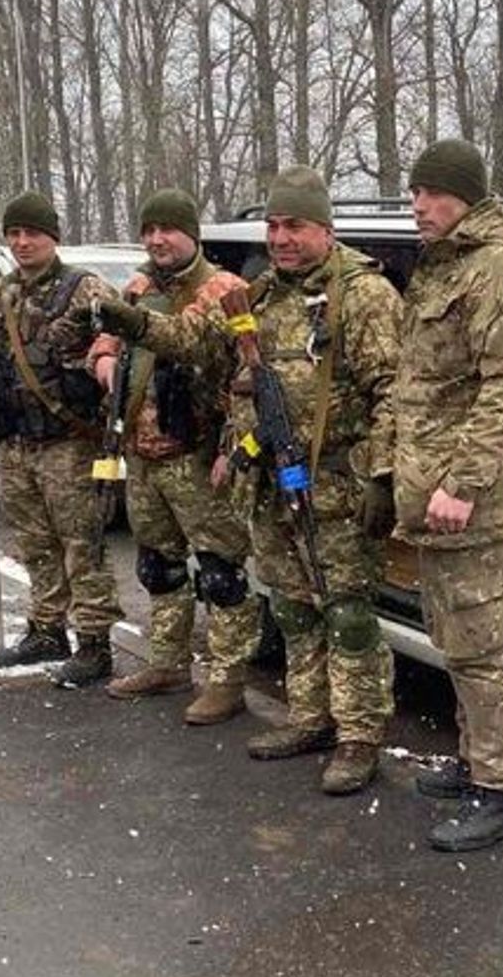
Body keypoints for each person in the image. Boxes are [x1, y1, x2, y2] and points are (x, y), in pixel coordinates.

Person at [96, 167, 401, 795]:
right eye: (274, 226)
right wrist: (136, 325)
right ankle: (311, 718)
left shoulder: (364, 295)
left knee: (346, 614)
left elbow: (395, 393)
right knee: (292, 608)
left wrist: (383, 474)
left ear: (325, 228)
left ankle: (358, 737)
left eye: (295, 226)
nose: (281, 238)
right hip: (272, 484)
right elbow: (199, 344)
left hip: (336, 489)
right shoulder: (259, 295)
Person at [395, 140, 503, 852]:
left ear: (466, 195)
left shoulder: (496, 270)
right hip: (436, 492)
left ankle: (501, 792)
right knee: (455, 639)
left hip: (472, 500)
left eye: (432, 192)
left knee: (481, 648)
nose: (418, 205)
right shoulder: (446, 265)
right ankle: (475, 761)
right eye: (414, 192)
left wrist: (461, 483)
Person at [88, 189, 261, 725]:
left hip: (197, 456)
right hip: (143, 455)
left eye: (167, 229)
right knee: (157, 566)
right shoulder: (139, 287)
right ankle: (167, 663)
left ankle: (228, 681)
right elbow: (107, 340)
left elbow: (247, 374)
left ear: (192, 234)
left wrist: (232, 448)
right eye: (149, 230)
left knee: (221, 573)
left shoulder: (224, 290)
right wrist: (104, 360)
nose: (157, 240)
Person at [0, 191, 123, 686]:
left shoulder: (84, 289)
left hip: (68, 443)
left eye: (32, 233)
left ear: (52, 237)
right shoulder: (0, 293)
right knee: (35, 542)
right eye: (14, 233)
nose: (22, 242)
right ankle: (47, 629)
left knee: (82, 544)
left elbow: (118, 343)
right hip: (16, 442)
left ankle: (94, 642)